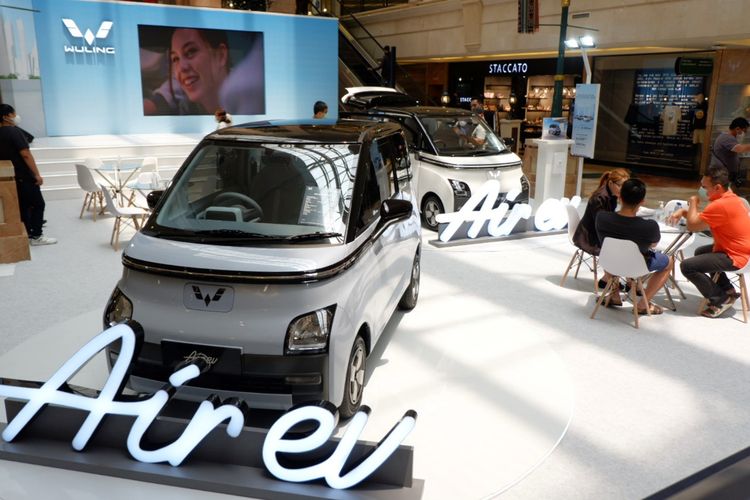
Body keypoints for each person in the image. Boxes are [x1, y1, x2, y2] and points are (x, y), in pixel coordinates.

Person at [668, 165, 750, 318]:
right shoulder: (732, 199)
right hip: (739, 250)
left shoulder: (720, 205)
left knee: (687, 266)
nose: (701, 190)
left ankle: (720, 299)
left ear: (717, 187)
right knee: (700, 252)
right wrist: (684, 212)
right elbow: (703, 218)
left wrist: (693, 202)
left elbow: (693, 225)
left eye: (705, 187)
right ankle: (727, 289)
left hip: (737, 256)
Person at [596, 178, 674, 313]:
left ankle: (614, 294)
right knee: (669, 262)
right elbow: (654, 244)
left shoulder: (602, 218)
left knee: (612, 251)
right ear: (642, 202)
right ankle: (643, 304)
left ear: (620, 197)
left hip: (609, 262)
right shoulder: (649, 226)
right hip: (637, 266)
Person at [0, 104, 56, 246]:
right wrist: (37, 174)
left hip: (11, 176)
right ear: (6, 117)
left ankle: (28, 232)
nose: (15, 116)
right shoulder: (14, 132)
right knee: (38, 204)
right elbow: (25, 154)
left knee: (23, 205)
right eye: (13, 114)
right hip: (24, 175)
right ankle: (36, 236)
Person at [573, 169, 630, 288]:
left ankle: (609, 279)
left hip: (597, 231)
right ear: (611, 183)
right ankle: (614, 281)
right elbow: (601, 223)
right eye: (620, 186)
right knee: (619, 247)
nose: (622, 189)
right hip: (589, 237)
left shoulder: (612, 195)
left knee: (625, 244)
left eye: (624, 187)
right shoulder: (600, 197)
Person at [169, 28, 230, 115]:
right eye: (175, 59)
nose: (181, 68)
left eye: (190, 51)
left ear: (221, 55)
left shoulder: (248, 97)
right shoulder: (187, 108)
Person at [710, 117, 750, 187]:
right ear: (737, 129)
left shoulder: (730, 137)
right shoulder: (727, 137)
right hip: (721, 173)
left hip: (725, 172)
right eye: (744, 131)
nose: (744, 133)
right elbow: (739, 149)